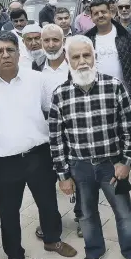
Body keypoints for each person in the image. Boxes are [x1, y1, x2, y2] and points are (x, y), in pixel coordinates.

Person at [0, 31, 77, 259]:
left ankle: (52, 240)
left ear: (19, 52)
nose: (5, 55)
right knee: (8, 211)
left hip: (39, 154)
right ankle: (14, 255)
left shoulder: (37, 80)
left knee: (48, 203)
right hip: (3, 161)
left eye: (10, 50)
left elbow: (54, 113)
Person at [49, 35, 131, 259]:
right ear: (68, 60)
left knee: (125, 214)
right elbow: (56, 139)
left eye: (86, 55)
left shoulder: (114, 86)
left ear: (95, 56)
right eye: (76, 57)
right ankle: (94, 251)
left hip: (112, 165)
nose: (82, 61)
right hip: (80, 167)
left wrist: (126, 162)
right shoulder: (60, 94)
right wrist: (63, 176)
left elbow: (130, 130)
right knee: (87, 215)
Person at [85, 0, 131, 187]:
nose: (100, 16)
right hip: (100, 96)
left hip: (127, 92)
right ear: (91, 16)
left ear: (111, 12)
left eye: (103, 12)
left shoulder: (127, 35)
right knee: (109, 133)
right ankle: (114, 170)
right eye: (96, 13)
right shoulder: (87, 39)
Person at [34, 24, 83, 239]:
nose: (51, 45)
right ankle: (50, 221)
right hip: (45, 132)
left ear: (63, 41)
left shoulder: (74, 63)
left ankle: (83, 217)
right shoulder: (35, 67)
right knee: (46, 181)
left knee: (79, 177)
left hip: (74, 130)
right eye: (47, 41)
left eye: (56, 40)